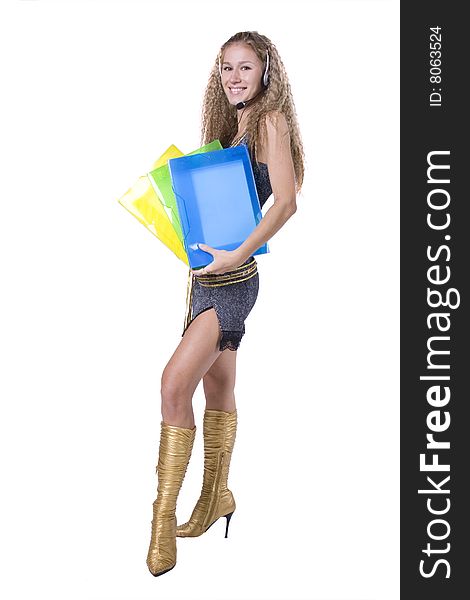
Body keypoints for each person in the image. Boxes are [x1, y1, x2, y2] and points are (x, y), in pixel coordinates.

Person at [146, 30, 305, 577]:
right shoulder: (228, 123)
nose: (234, 77)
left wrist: (233, 251)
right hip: (206, 276)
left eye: (245, 67)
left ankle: (161, 520)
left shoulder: (269, 121)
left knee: (173, 385)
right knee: (218, 384)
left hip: (235, 278)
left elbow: (285, 201)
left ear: (266, 71)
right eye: (225, 68)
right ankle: (216, 497)